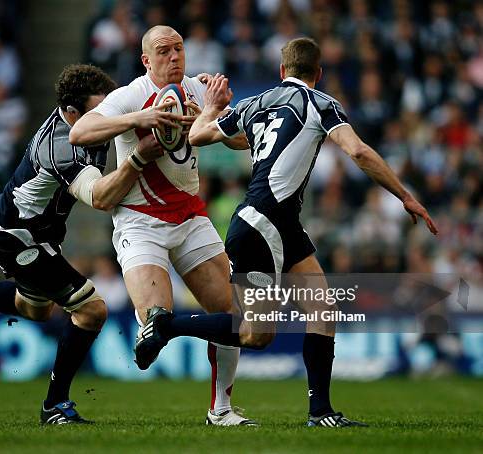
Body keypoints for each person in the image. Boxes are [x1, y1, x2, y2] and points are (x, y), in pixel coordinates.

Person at [134, 37, 439, 427]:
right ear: (319, 73)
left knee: (322, 310)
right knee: (255, 334)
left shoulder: (255, 104)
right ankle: (167, 325)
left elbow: (198, 136)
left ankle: (321, 413)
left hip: (278, 223)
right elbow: (359, 151)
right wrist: (405, 196)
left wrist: (211, 110)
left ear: (282, 71)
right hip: (265, 224)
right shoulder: (321, 103)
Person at [0, 64, 164, 425]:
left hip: (34, 231)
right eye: (98, 111)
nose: (106, 117)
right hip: (17, 237)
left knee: (35, 309)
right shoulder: (62, 146)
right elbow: (100, 197)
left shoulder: (90, 118)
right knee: (92, 310)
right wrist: (140, 158)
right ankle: (55, 405)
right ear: (72, 113)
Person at [69, 25, 255, 426]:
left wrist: (215, 112)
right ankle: (158, 323)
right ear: (146, 60)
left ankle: (220, 410)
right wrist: (142, 118)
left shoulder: (195, 89)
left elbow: (240, 139)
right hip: (139, 221)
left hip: (190, 216)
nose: (174, 57)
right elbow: (78, 132)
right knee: (154, 311)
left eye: (179, 49)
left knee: (232, 314)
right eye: (164, 51)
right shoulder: (129, 96)